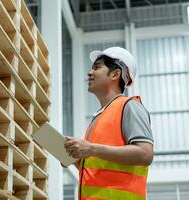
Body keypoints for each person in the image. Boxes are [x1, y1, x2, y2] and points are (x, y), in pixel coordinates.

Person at [64, 47, 154, 200]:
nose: (90, 73)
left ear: (115, 74)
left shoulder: (130, 106)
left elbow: (145, 154)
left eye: (97, 67)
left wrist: (91, 148)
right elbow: (100, 171)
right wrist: (76, 160)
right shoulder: (98, 118)